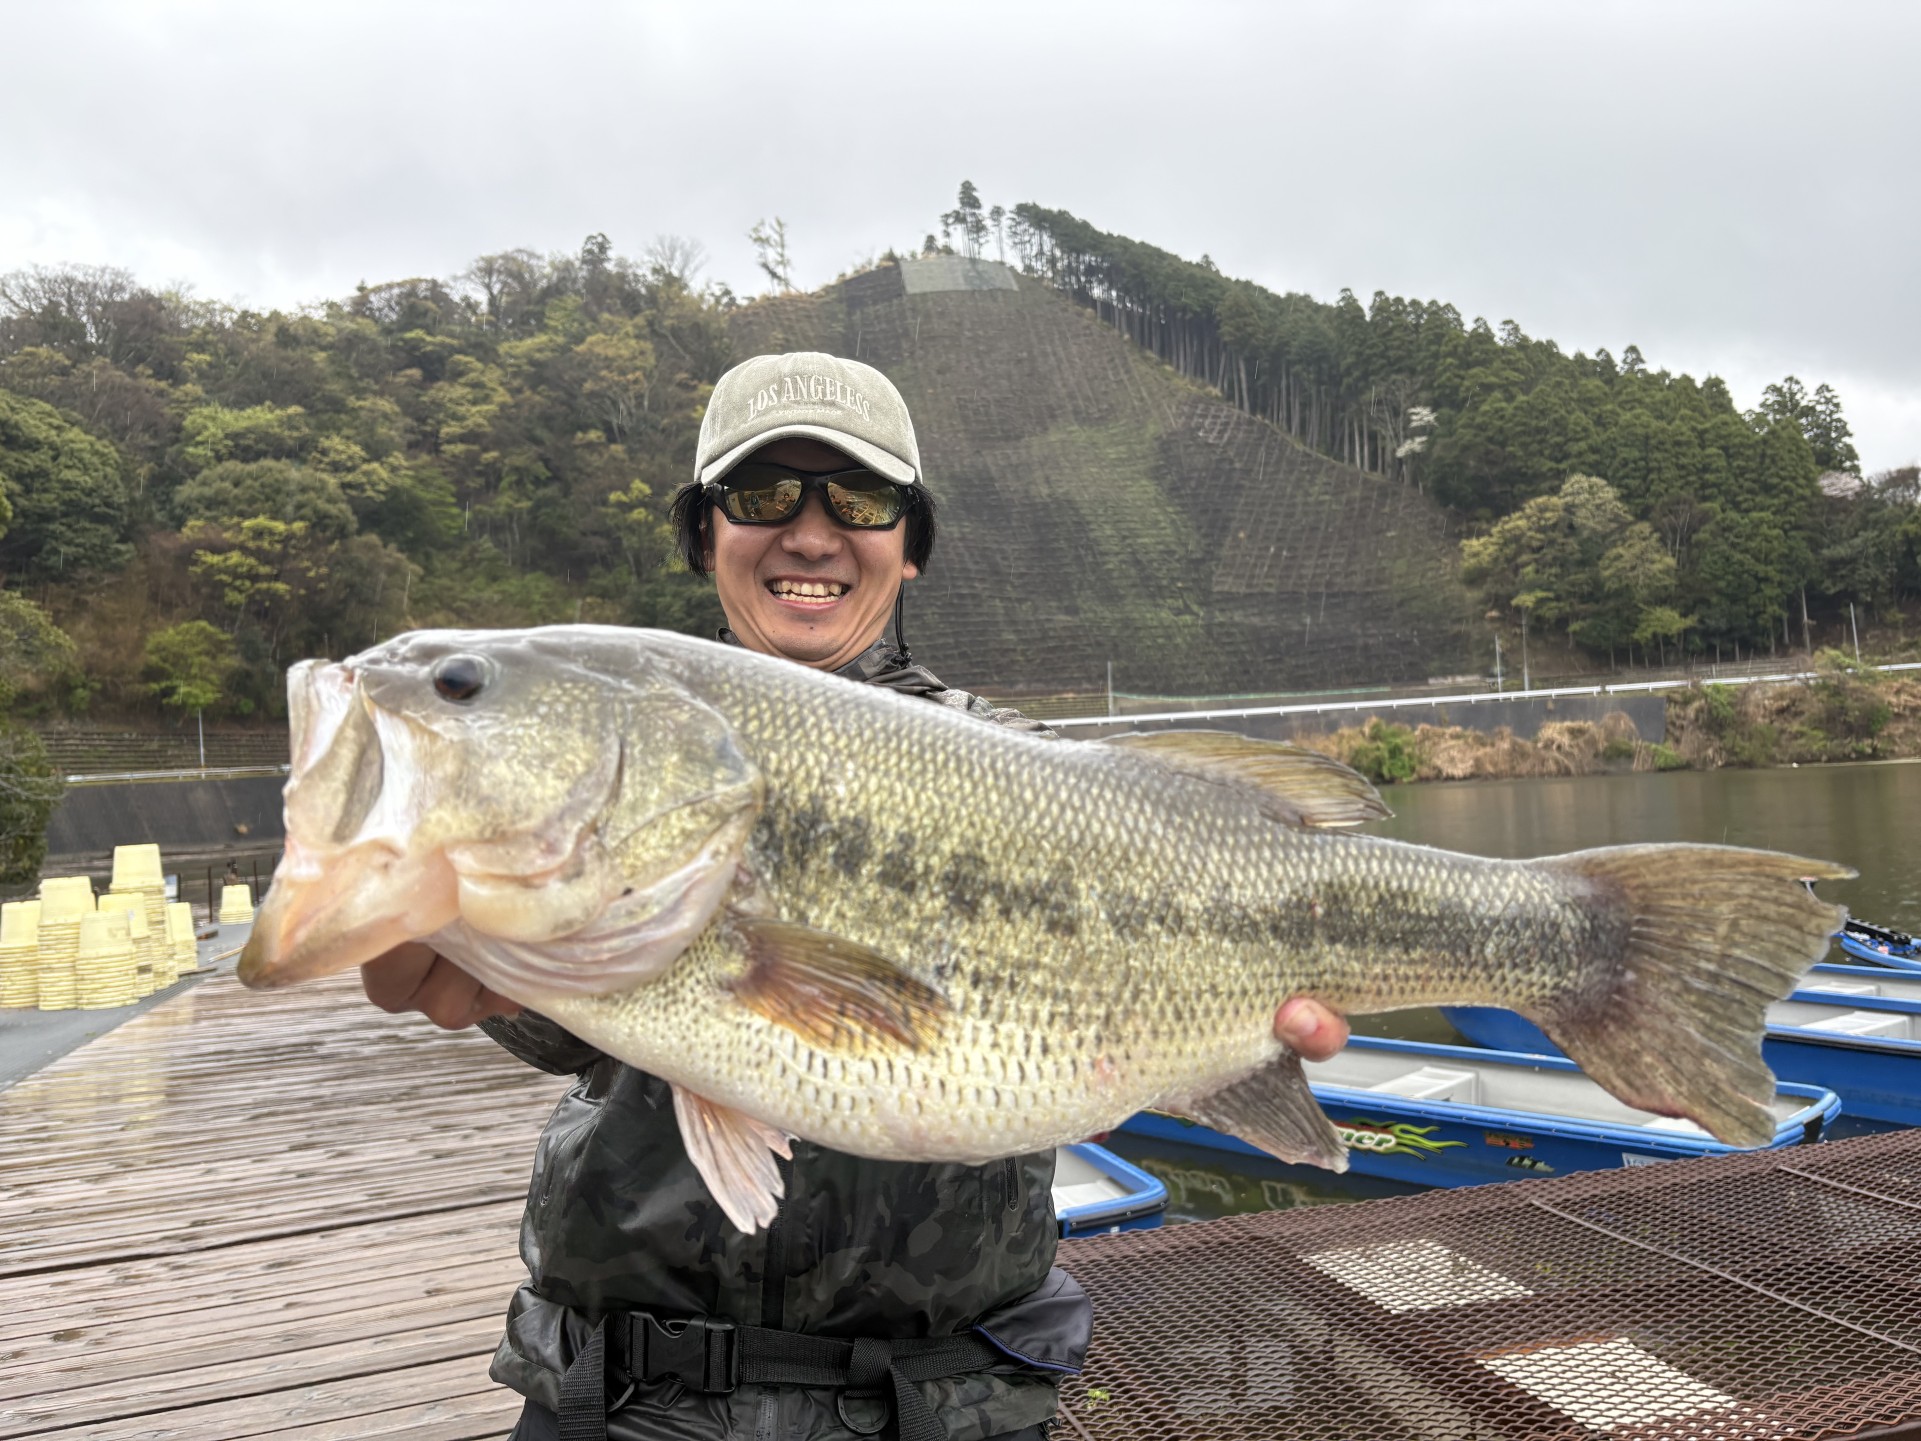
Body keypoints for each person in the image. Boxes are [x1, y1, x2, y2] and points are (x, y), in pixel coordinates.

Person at [359, 352, 1350, 1440]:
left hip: (945, 1401)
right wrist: (473, 955)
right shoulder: (620, 735)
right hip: (627, 1398)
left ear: (909, 545)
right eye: (762, 493)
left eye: (861, 498)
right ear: (704, 534)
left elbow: (1145, 967)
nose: (812, 531)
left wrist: (1224, 1031)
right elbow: (575, 1037)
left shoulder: (1032, 771)